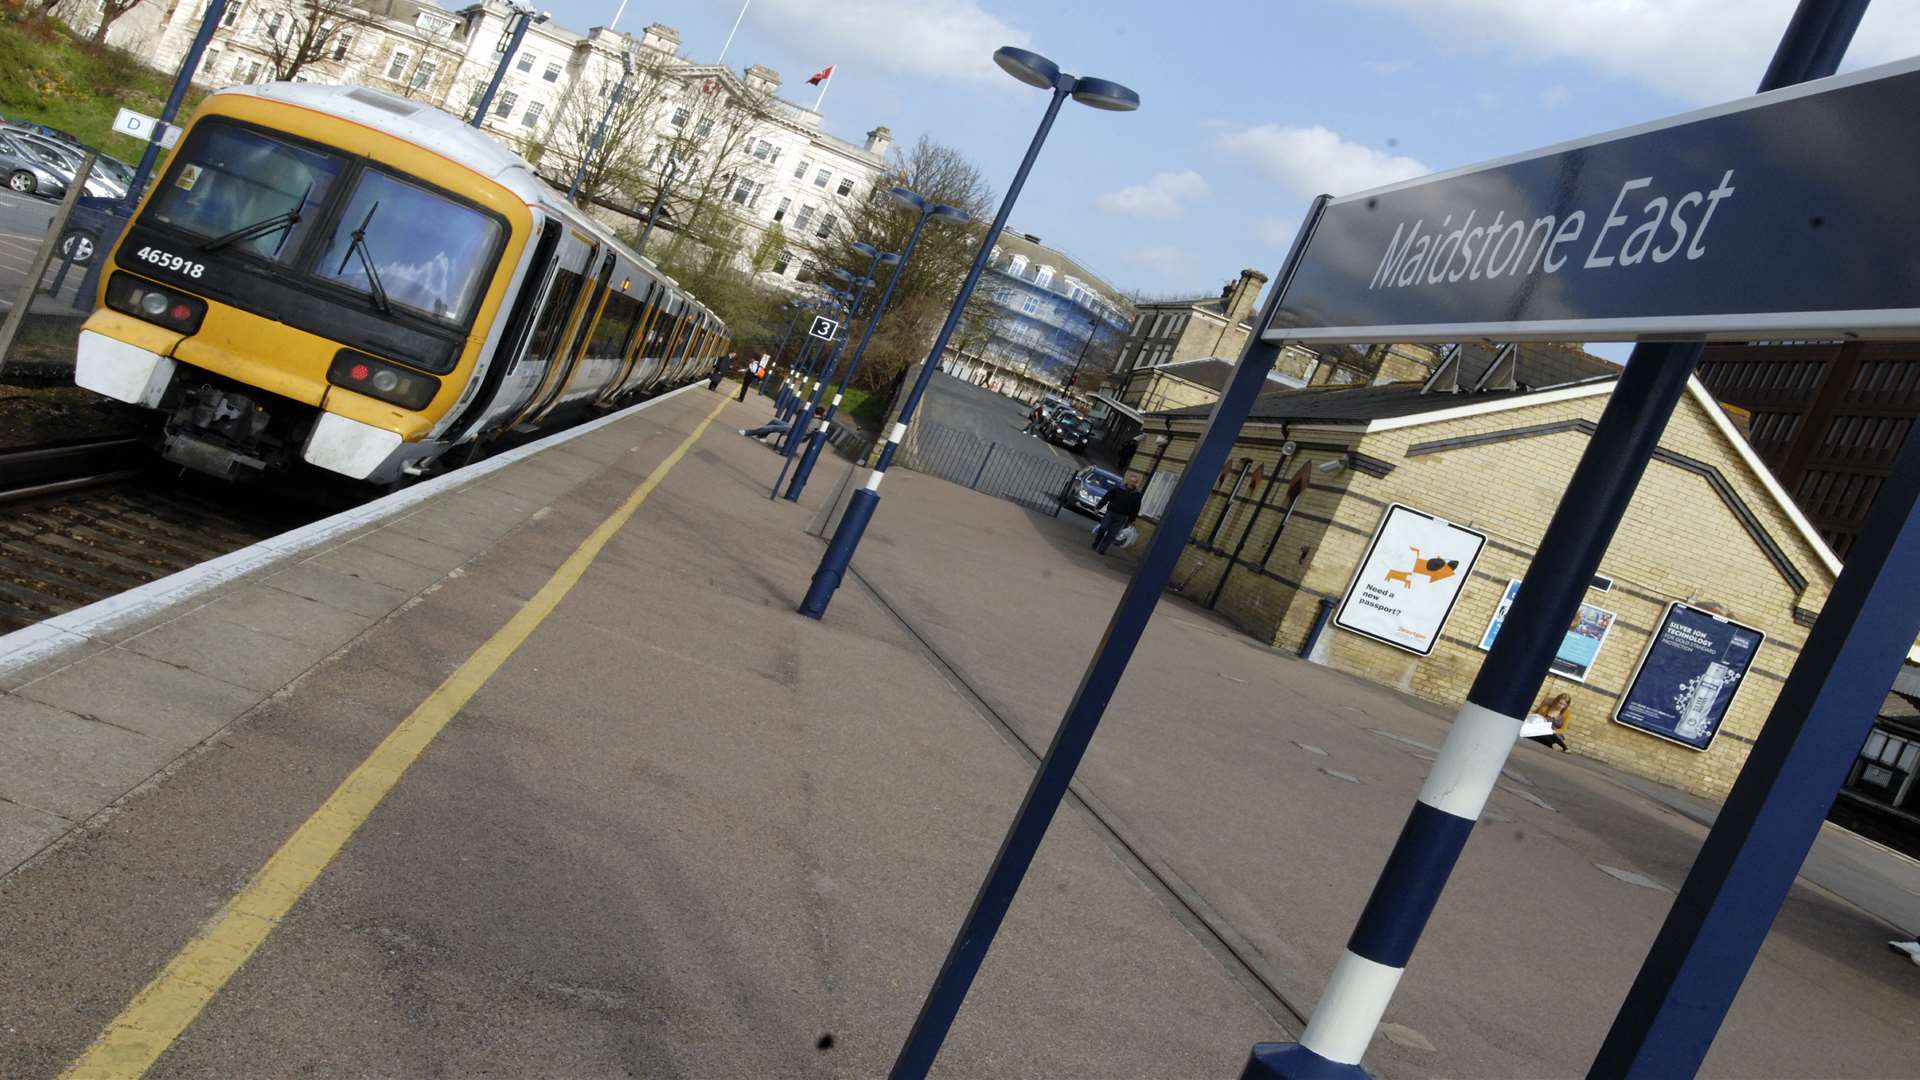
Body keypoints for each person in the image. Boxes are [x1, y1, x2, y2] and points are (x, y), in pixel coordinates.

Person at [1092, 474, 1142, 554]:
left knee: (1112, 533)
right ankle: (1096, 542)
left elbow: (1136, 508)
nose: (1132, 483)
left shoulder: (1137, 495)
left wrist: (1132, 520)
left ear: (1136, 483)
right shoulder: (1118, 488)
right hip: (1111, 512)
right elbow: (1106, 497)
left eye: (1134, 482)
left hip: (1122, 517)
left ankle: (1102, 549)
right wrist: (1098, 507)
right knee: (1103, 527)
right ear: (1128, 481)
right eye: (1131, 481)